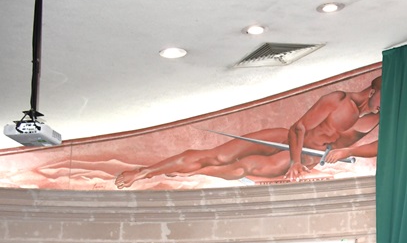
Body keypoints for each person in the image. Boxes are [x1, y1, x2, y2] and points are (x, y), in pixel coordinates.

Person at [114, 76, 381, 188]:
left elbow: (368, 147)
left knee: (244, 167)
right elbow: (297, 127)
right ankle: (145, 171)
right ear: (372, 90)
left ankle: (195, 171)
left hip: (311, 156)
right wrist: (295, 161)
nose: (382, 108)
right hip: (292, 146)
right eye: (382, 101)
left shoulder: (372, 120)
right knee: (217, 155)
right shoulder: (338, 99)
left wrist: (348, 150)